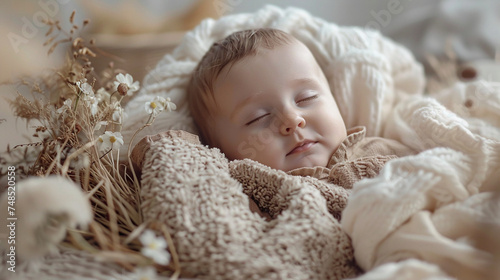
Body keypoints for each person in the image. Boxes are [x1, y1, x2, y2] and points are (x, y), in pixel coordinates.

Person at [187, 28, 415, 186]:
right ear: (219, 150)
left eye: (306, 98)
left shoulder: (382, 154)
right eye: (259, 117)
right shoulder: (248, 199)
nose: (292, 120)